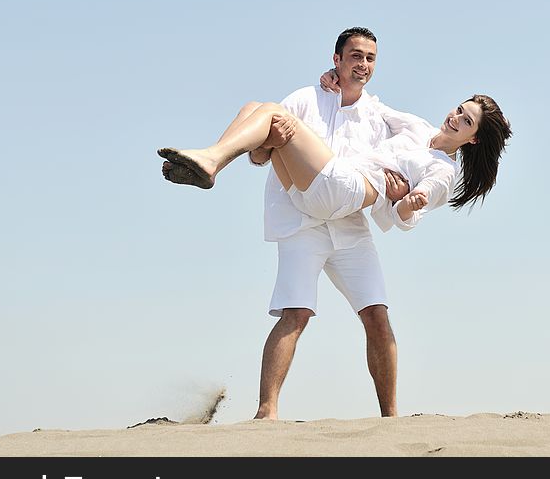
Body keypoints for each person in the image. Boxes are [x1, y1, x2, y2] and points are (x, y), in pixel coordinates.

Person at [161, 27, 404, 420]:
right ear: (336, 59)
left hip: (349, 225)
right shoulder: (305, 98)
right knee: (296, 313)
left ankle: (391, 419)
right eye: (355, 56)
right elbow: (259, 156)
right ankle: (266, 412)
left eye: (370, 58)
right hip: (301, 220)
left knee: (377, 315)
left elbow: (418, 144)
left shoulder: (378, 117)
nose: (362, 65)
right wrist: (271, 142)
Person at [158, 93, 512, 233]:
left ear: (473, 138)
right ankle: (250, 152)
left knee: (274, 115)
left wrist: (409, 202)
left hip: (346, 188)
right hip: (314, 192)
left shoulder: (443, 171)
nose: (455, 119)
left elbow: (405, 218)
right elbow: (372, 105)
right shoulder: (417, 126)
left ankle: (214, 161)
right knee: (253, 109)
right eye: (459, 110)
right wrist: (334, 81)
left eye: (466, 122)